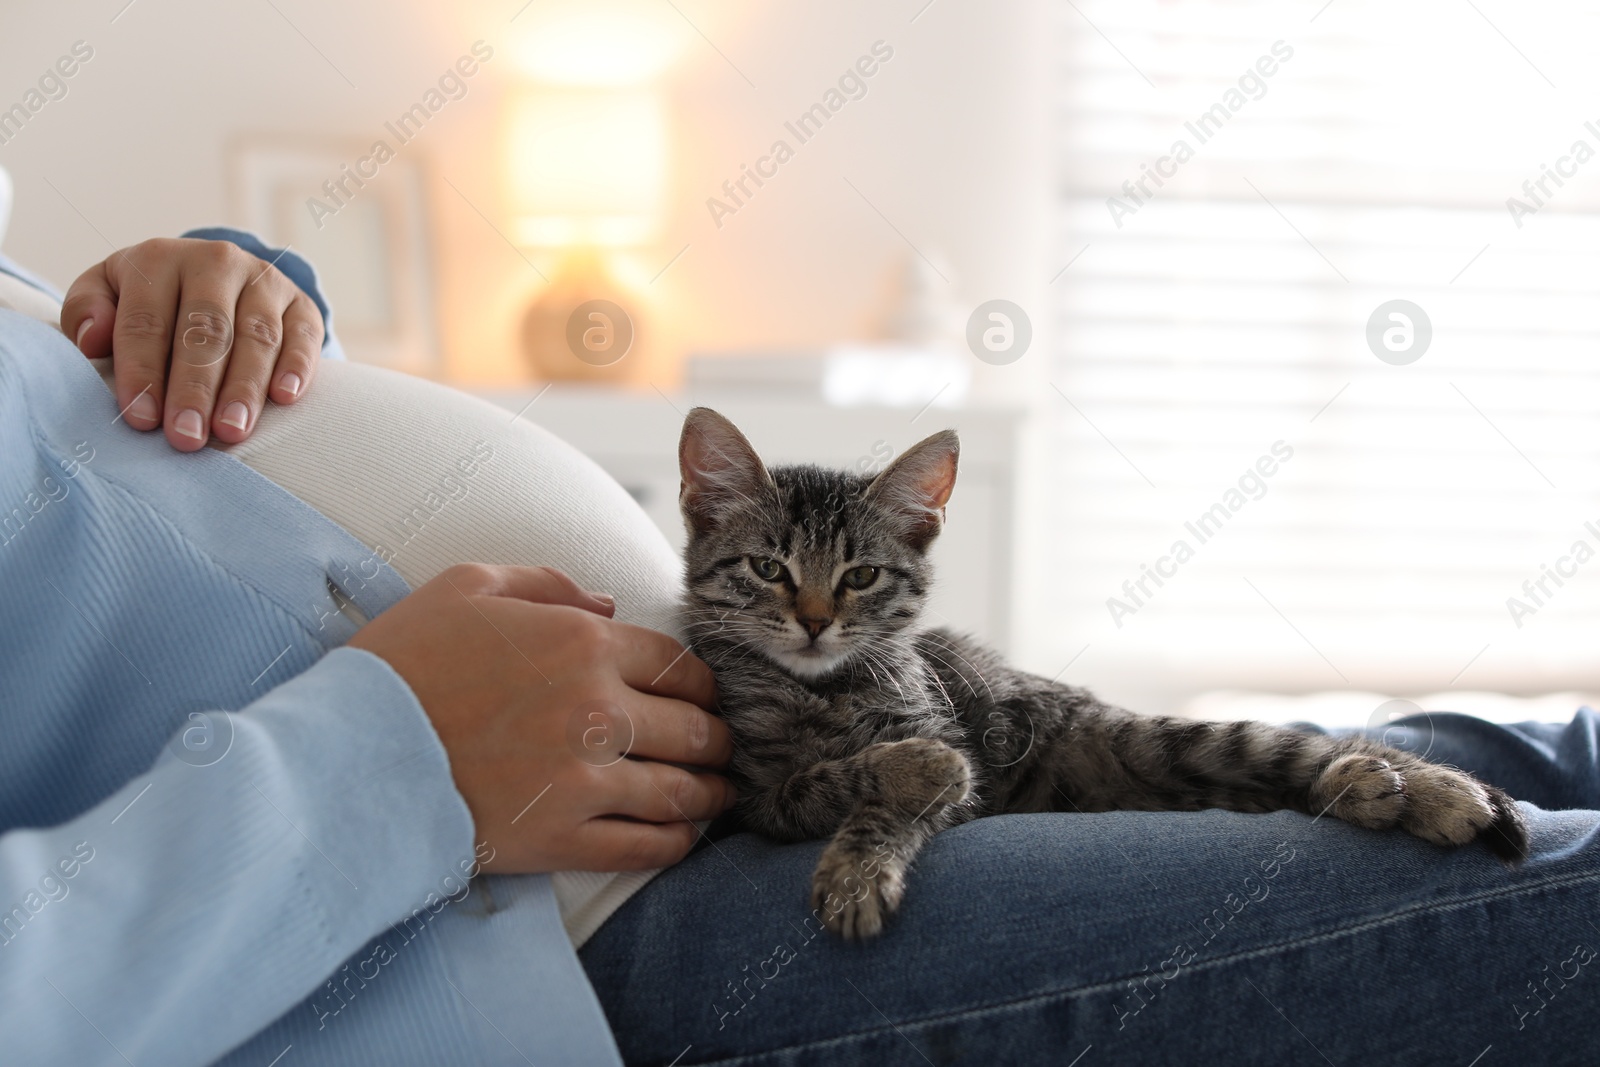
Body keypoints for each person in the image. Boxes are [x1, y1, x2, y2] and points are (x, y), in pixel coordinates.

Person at [1, 233, 1595, 1066]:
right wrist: (397, 756)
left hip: (723, 811)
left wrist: (208, 283)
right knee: (1545, 893)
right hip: (564, 928)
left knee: (1541, 755)